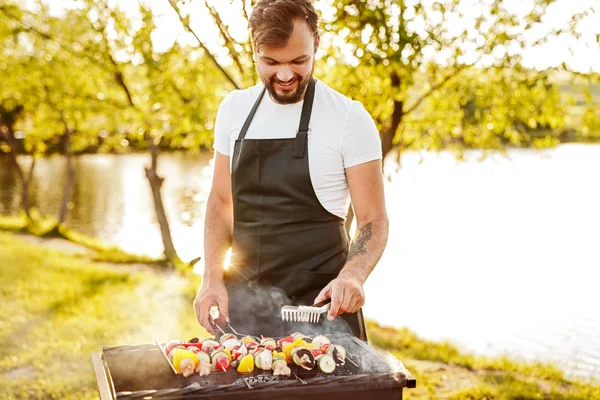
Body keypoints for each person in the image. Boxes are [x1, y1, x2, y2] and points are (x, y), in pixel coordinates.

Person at [194, 0, 388, 341]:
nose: (285, 76)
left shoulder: (348, 119)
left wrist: (353, 275)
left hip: (323, 313)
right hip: (242, 311)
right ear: (254, 50)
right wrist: (211, 277)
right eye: (271, 62)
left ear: (316, 43)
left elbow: (373, 219)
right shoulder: (234, 110)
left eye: (299, 61)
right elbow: (221, 201)